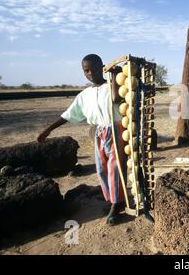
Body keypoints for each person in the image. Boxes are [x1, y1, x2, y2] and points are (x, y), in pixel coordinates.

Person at [37, 54, 126, 225]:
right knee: (102, 169)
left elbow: (116, 99)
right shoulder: (85, 95)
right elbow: (68, 115)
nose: (90, 73)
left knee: (115, 167)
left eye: (93, 68)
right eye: (86, 70)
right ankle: (113, 199)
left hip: (116, 129)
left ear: (102, 67)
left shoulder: (112, 87)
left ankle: (116, 205)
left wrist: (114, 76)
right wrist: (48, 130)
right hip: (99, 131)